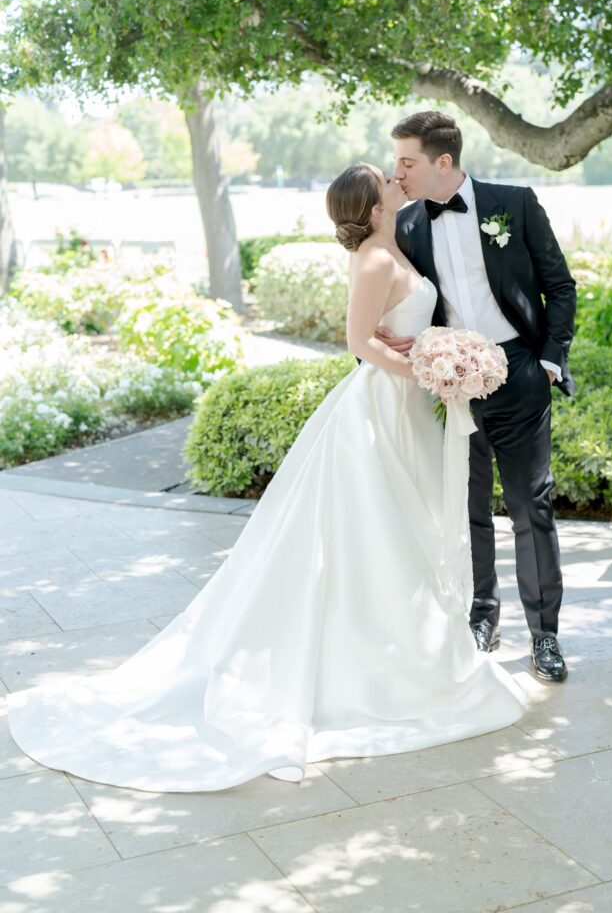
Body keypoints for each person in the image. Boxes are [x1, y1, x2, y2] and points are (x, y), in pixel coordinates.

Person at [7, 163, 525, 793]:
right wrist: (427, 368)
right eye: (386, 179)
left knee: (408, 522)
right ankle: (376, 664)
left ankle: (409, 648)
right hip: (380, 408)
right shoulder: (372, 258)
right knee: (376, 528)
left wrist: (437, 354)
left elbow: (398, 331)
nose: (397, 180)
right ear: (372, 203)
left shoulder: (395, 245)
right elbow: (359, 342)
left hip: (409, 406)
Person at [376, 111, 576, 682]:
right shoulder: (409, 224)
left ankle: (545, 637)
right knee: (467, 510)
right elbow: (412, 296)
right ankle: (480, 615)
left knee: (529, 505)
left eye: (407, 162)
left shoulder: (513, 203)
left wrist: (548, 360)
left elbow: (559, 285)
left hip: (518, 370)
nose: (399, 172)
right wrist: (417, 348)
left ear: (444, 162)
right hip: (449, 378)